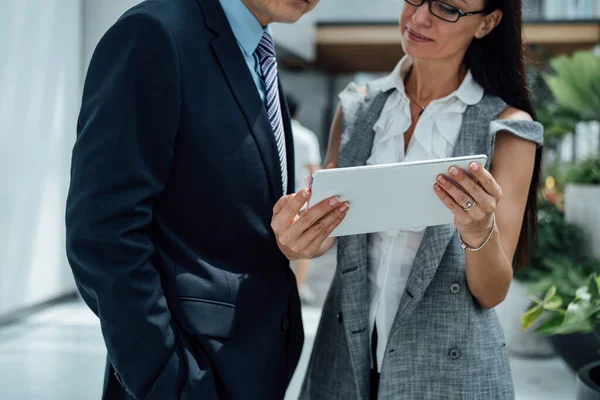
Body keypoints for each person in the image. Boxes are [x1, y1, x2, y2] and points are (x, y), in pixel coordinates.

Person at [272, 0, 544, 399]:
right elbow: (323, 233)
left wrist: (477, 229)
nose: (419, 18)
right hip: (343, 361)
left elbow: (492, 292)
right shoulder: (357, 108)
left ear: (487, 23)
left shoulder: (507, 128)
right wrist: (295, 238)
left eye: (448, 8)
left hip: (449, 372)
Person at [65, 0, 323, 398]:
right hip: (187, 372)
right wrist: (163, 377)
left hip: (254, 364)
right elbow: (102, 230)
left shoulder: (257, 51)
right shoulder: (155, 34)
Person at [286, 94, 322, 304]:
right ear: (298, 112)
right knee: (302, 245)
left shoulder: (274, 131)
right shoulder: (306, 136)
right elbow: (314, 171)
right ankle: (298, 287)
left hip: (275, 197)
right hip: (299, 199)